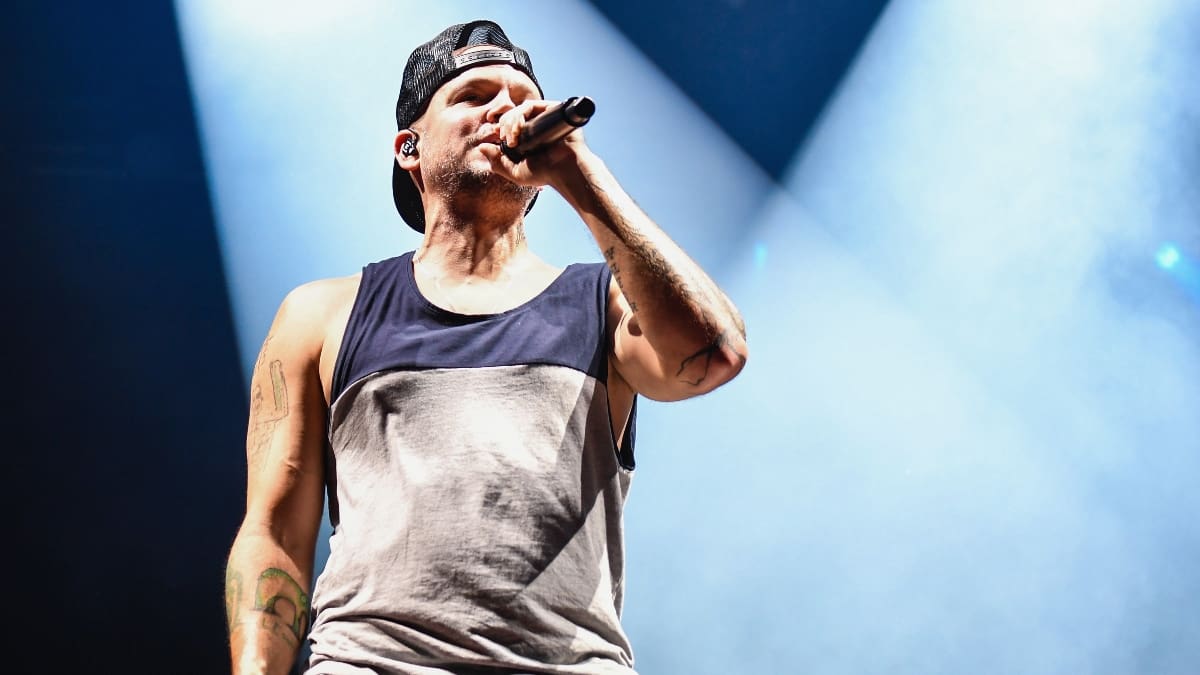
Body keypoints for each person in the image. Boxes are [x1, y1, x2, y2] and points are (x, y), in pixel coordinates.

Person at [224, 19, 748, 675]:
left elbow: (712, 353)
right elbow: (274, 530)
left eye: (522, 97)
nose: (506, 109)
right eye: (473, 96)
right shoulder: (322, 314)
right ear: (409, 147)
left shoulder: (604, 304)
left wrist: (579, 173)